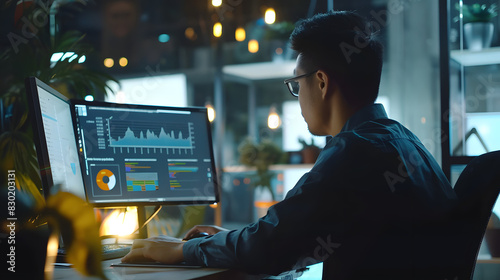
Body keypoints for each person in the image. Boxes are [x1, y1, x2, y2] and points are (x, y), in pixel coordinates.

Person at [122, 11, 458, 279]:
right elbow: (291, 236)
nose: (298, 99)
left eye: (297, 83)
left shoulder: (354, 151)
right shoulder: (403, 141)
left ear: (322, 82)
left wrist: (180, 251)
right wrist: (227, 241)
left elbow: (269, 248)